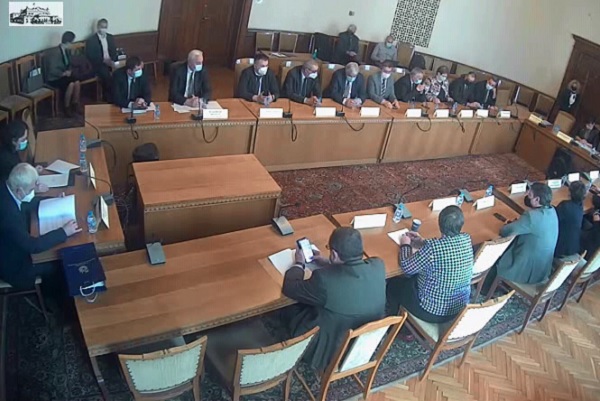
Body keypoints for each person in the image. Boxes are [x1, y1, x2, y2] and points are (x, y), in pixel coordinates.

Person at [282, 227, 386, 371]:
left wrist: (299, 264)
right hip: (363, 346)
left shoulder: (323, 279)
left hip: (331, 350)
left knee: (290, 309)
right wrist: (328, 263)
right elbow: (352, 271)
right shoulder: (378, 265)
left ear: (334, 254)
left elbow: (290, 288)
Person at [0, 163, 81, 291]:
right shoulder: (8, 215)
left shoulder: (8, 185)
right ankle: (54, 297)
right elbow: (33, 246)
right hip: (16, 267)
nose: (34, 191)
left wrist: (53, 200)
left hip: (15, 245)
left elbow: (26, 203)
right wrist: (64, 232)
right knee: (61, 264)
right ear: (19, 191)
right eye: (31, 189)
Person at [387, 206, 473, 323]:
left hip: (431, 311)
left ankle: (396, 325)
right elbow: (443, 247)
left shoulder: (433, 249)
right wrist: (423, 242)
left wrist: (405, 244)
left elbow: (407, 267)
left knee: (393, 284)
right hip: (458, 309)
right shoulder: (466, 239)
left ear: (439, 223)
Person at [486, 183, 559, 289]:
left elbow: (506, 231)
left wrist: (508, 225)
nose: (526, 196)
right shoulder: (552, 211)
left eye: (529, 195)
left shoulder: (531, 217)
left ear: (537, 199)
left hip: (526, 269)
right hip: (542, 269)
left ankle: (486, 288)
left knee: (495, 252)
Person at [0, 121, 47, 193]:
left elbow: (20, 171)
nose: (26, 141)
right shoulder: (5, 159)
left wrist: (33, 171)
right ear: (14, 141)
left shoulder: (12, 149)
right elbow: (14, 186)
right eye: (23, 140)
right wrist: (33, 190)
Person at [45, 31, 81, 116]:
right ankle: (66, 107)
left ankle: (75, 104)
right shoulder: (55, 53)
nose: (72, 44)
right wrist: (63, 73)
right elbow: (52, 70)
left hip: (65, 75)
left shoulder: (67, 51)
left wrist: (69, 70)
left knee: (77, 82)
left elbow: (69, 64)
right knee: (70, 84)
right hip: (54, 78)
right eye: (72, 42)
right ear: (68, 42)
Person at [85, 18, 117, 101]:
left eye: (105, 27)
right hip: (98, 64)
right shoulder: (91, 40)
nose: (103, 29)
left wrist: (112, 60)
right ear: (98, 27)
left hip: (110, 61)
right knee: (106, 75)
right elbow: (90, 56)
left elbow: (113, 51)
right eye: (102, 27)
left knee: (121, 71)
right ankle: (108, 97)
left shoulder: (110, 37)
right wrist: (104, 61)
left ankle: (118, 93)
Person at [554, 181, 586, 258]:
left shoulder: (565, 205)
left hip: (561, 248)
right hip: (574, 246)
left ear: (570, 192)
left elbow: (554, 218)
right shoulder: (580, 205)